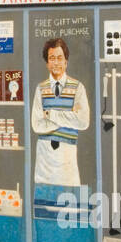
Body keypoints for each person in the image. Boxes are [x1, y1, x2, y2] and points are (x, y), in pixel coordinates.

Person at [30, 38, 91, 185]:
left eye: (59, 58)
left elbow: (83, 122)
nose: (56, 62)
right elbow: (37, 125)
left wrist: (50, 114)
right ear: (47, 63)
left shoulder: (78, 87)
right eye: (52, 58)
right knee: (44, 204)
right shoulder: (40, 89)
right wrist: (69, 116)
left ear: (66, 61)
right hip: (44, 157)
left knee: (69, 203)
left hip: (67, 155)